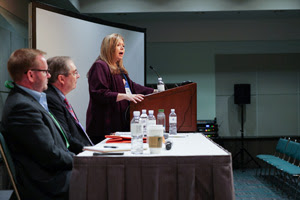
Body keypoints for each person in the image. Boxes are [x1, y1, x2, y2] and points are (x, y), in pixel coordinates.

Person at [0, 48, 74, 200]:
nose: (49, 75)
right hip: (47, 185)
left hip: (53, 175)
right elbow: (50, 155)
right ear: (31, 75)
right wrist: (82, 160)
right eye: (45, 71)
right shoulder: (22, 107)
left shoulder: (30, 101)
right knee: (104, 180)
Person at [86, 33, 154, 144]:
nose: (122, 48)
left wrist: (154, 91)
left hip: (119, 124)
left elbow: (132, 87)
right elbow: (99, 93)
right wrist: (124, 96)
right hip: (103, 126)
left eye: (123, 45)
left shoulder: (118, 69)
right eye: (118, 45)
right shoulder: (100, 66)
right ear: (109, 48)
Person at [46, 56, 94, 154]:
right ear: (61, 79)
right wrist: (92, 151)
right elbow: (66, 137)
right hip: (76, 157)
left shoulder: (58, 97)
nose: (78, 76)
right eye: (74, 72)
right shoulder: (51, 99)